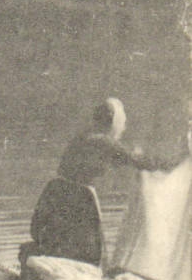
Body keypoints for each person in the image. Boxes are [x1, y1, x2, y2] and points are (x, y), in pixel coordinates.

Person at [24, 99, 184, 268]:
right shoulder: (104, 142)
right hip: (79, 197)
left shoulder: (85, 137)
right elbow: (138, 161)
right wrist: (174, 164)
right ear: (113, 123)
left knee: (61, 242)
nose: (123, 128)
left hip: (56, 191)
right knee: (90, 249)